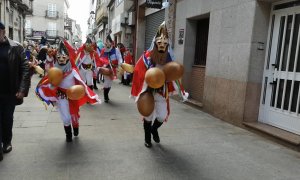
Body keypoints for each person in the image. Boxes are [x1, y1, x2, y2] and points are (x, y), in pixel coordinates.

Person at [131, 22, 188, 148]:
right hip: (149, 92)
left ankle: (154, 130)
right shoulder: (146, 58)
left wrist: (180, 91)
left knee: (162, 116)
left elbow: (174, 76)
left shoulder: (169, 60)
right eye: (159, 43)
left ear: (168, 44)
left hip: (162, 93)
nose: (162, 45)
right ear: (155, 43)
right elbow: (138, 72)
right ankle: (147, 139)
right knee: (148, 116)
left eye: (165, 43)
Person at [35, 40, 101, 142]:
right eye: (59, 57)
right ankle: (68, 135)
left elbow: (81, 82)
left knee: (74, 117)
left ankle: (75, 128)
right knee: (65, 118)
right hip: (61, 96)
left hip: (72, 96)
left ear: (67, 57)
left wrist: (87, 93)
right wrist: (52, 86)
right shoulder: (54, 70)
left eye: (63, 57)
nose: (61, 59)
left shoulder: (73, 70)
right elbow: (50, 81)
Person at [0, 22, 30, 161]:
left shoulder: (15, 47)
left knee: (7, 118)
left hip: (9, 91)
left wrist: (22, 89)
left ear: (3, 32)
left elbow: (24, 68)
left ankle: (7, 142)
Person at [98, 35, 123, 102]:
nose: (107, 43)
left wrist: (120, 63)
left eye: (108, 41)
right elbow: (100, 58)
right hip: (106, 68)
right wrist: (104, 63)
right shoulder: (103, 50)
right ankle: (105, 97)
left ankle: (106, 94)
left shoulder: (116, 50)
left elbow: (119, 57)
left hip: (113, 68)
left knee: (110, 83)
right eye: (106, 41)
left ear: (111, 42)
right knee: (107, 82)